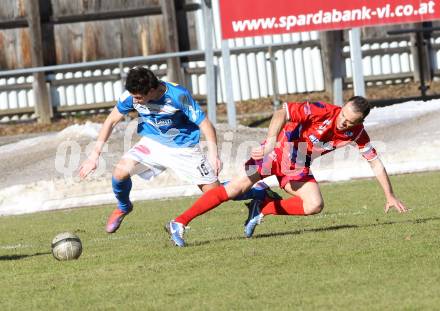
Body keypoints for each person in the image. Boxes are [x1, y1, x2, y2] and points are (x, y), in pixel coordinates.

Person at [166, 96, 408, 247]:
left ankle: (262, 207)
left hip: (298, 164)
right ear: (342, 107)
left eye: (349, 121)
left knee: (314, 205)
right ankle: (179, 222)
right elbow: (282, 111)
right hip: (277, 150)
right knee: (233, 189)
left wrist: (389, 195)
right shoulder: (322, 110)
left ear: (360, 122)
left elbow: (375, 162)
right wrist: (270, 140)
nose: (343, 121)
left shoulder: (357, 134)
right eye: (343, 115)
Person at [79, 66, 274, 233]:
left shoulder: (178, 95)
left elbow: (206, 125)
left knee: (214, 194)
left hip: (184, 147)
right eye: (132, 96)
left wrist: (214, 155)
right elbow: (111, 120)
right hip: (152, 143)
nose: (134, 100)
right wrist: (94, 155)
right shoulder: (130, 97)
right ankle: (123, 207)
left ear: (151, 90)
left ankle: (257, 192)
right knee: (120, 172)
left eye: (138, 97)